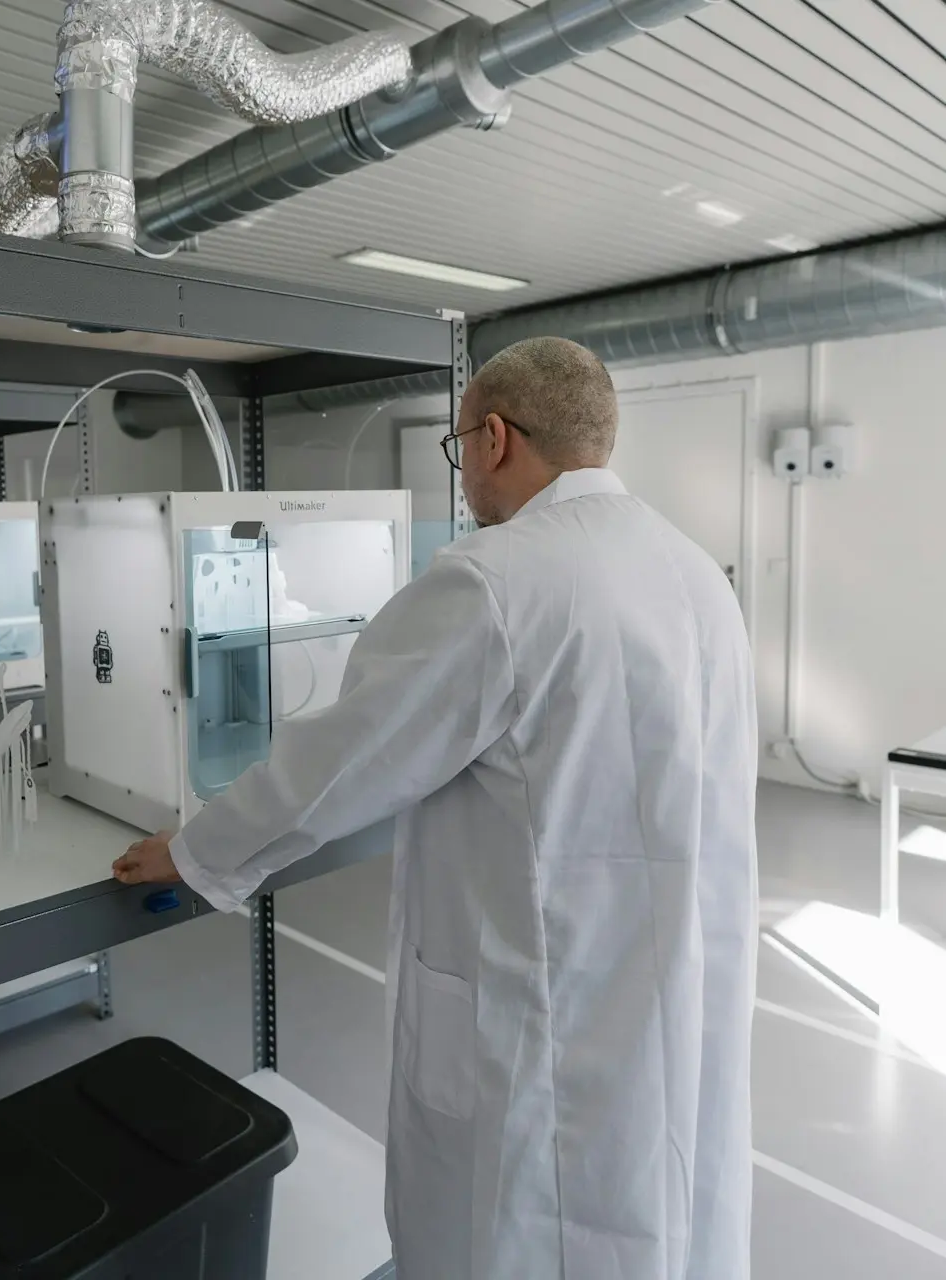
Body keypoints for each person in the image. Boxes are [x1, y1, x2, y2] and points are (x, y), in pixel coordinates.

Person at [113, 336, 757, 1280]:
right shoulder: (697, 576)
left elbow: (343, 758)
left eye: (460, 453)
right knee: (656, 1200)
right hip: (672, 980)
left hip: (542, 992)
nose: (464, 485)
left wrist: (199, 846)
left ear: (494, 437)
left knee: (523, 1220)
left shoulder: (495, 577)